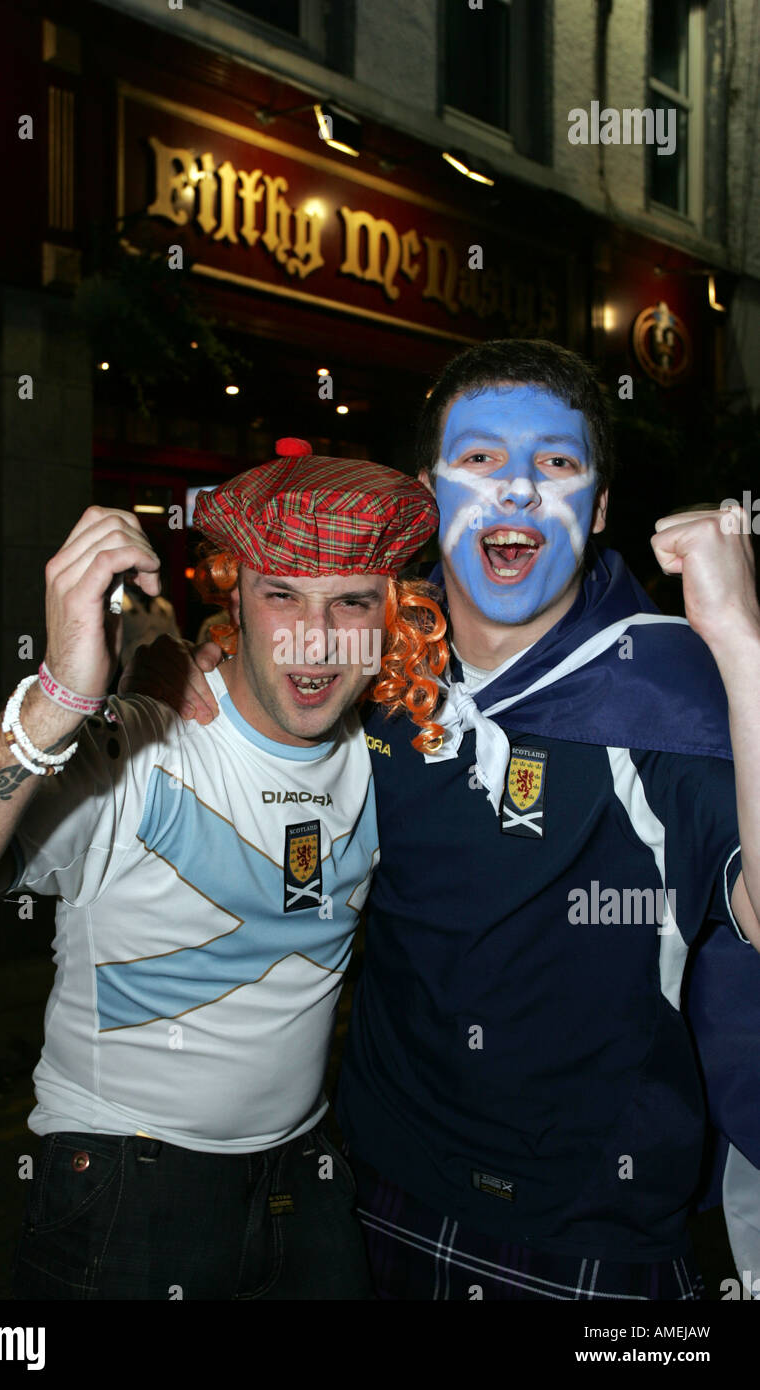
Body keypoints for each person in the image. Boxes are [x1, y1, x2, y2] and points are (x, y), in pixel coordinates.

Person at [141, 341, 760, 1300]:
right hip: (375, 1192)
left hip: (593, 1229)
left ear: (598, 510)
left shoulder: (668, 688)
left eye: (554, 464)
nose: (515, 490)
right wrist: (177, 661)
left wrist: (741, 644)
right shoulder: (375, 665)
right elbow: (248, 700)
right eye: (478, 461)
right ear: (433, 499)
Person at [0, 437, 446, 1300]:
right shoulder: (139, 744)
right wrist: (56, 701)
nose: (313, 638)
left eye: (349, 602)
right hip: (126, 1188)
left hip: (307, 1176)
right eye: (282, 595)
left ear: (392, 617)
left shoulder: (389, 750)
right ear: (236, 598)